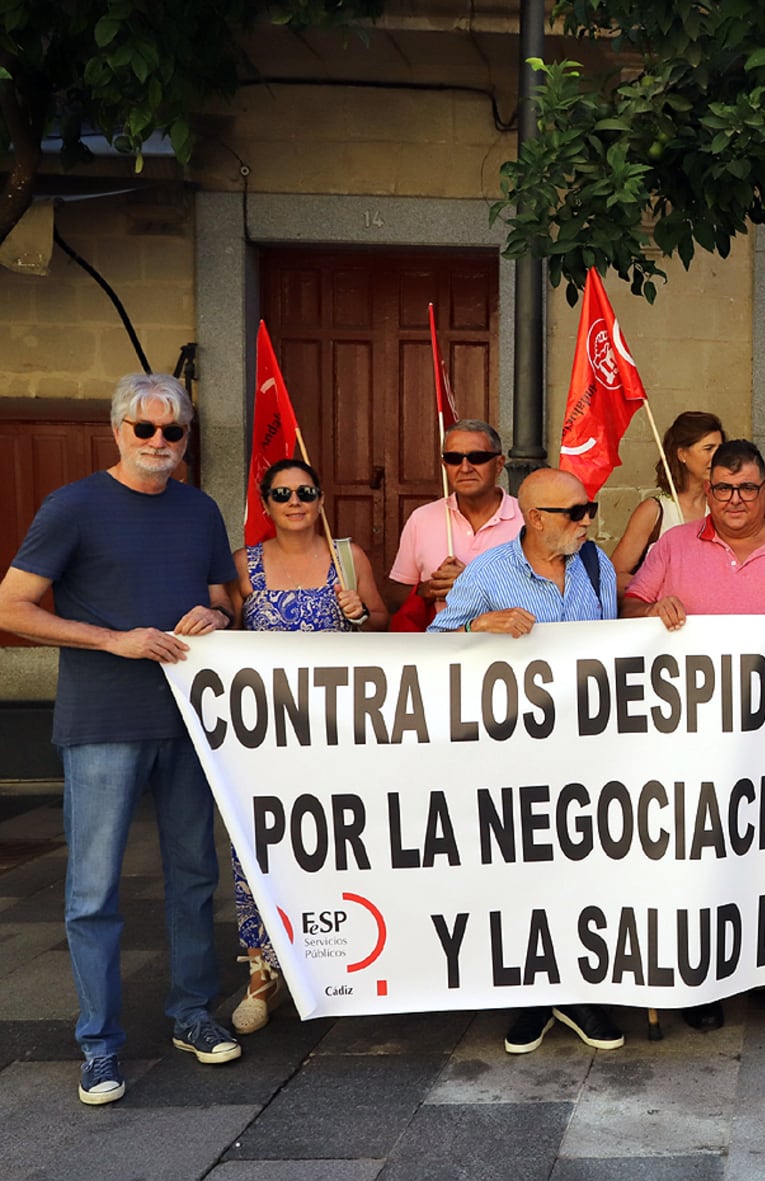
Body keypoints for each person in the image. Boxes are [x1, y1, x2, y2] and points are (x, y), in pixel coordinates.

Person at [0, 374, 242, 1105]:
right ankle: (99, 1045)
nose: (160, 443)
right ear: (118, 429)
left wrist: (218, 617)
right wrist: (115, 640)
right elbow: (13, 605)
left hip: (189, 720)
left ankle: (191, 1013)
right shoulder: (72, 506)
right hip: (103, 720)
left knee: (195, 874)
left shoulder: (199, 509)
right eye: (147, 429)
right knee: (94, 888)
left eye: (174, 432)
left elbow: (227, 596)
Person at [624, 438, 765, 1030]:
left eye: (746, 488)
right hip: (693, 735)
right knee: (704, 852)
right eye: (721, 488)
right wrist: (650, 612)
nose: (733, 500)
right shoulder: (674, 544)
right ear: (706, 490)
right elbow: (628, 607)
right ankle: (701, 980)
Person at [429, 468, 628, 1053]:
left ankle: (577, 987)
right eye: (575, 512)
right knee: (523, 868)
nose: (587, 519)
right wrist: (475, 625)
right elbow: (432, 649)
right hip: (510, 752)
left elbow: (616, 649)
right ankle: (533, 995)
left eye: (588, 508)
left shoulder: (597, 567)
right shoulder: (488, 572)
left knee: (583, 867)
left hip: (589, 751)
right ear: (535, 517)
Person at [226, 458, 388, 1035]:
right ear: (265, 505)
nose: (295, 501)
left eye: (305, 491)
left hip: (337, 735)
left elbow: (380, 624)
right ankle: (262, 970)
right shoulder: (244, 566)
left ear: (321, 498)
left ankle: (347, 959)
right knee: (262, 846)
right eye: (282, 493)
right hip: (266, 739)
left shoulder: (347, 558)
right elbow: (224, 634)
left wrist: (362, 613)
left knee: (340, 842)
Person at [386, 420, 520, 617]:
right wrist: (427, 590)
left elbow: (549, 597)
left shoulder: (526, 521)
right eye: (454, 458)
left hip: (507, 642)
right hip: (439, 642)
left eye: (477, 457)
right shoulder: (422, 519)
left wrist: (471, 584)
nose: (465, 468)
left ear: (499, 464)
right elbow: (394, 597)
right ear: (444, 465)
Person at [610, 410, 725, 583]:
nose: (717, 457)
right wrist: (655, 591)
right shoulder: (654, 510)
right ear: (682, 454)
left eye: (720, 449)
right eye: (708, 449)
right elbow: (614, 576)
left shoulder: (722, 506)